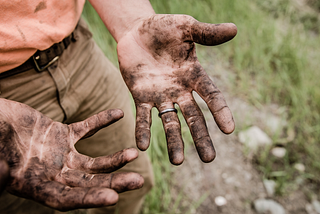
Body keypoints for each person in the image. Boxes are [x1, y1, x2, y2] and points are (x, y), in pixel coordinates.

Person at [0, 0, 237, 213]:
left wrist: (133, 21)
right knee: (26, 204)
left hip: (78, 51)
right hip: (6, 94)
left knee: (130, 186)